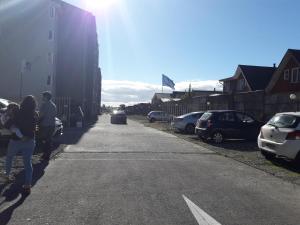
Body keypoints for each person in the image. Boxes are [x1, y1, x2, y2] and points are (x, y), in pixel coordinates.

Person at [4, 95, 38, 194]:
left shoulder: (18, 112)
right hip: (29, 141)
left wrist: (15, 130)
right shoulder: (34, 114)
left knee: (9, 157)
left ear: (23, 102)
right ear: (34, 104)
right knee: (28, 163)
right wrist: (27, 136)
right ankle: (27, 185)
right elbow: (34, 129)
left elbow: (7, 124)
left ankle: (7, 176)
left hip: (16, 140)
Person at [39, 91, 57, 160]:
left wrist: (37, 120)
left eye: (43, 96)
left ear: (46, 97)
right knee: (49, 140)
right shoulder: (53, 105)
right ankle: (47, 155)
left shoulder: (44, 105)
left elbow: (41, 115)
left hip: (45, 125)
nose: (42, 98)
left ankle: (45, 155)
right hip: (52, 125)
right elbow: (54, 115)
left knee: (43, 140)